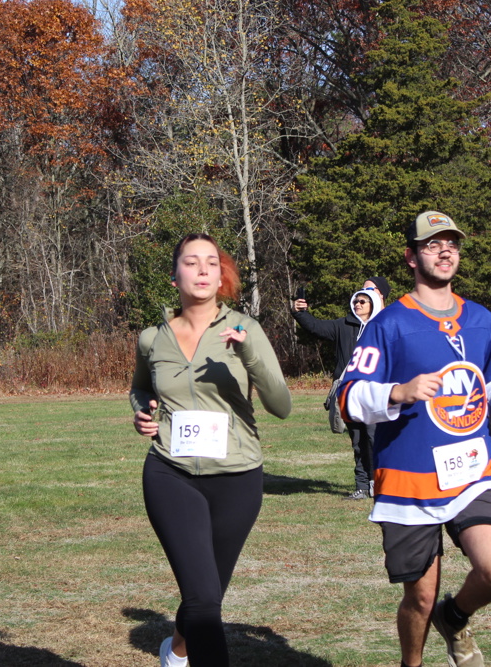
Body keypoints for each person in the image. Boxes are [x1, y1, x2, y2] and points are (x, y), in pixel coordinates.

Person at [337, 211, 491, 667]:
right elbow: (347, 398)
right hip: (409, 479)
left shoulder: (482, 320)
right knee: (419, 598)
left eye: (451, 244)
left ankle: (454, 616)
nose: (444, 251)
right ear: (411, 256)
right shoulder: (388, 324)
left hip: (474, 470)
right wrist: (398, 392)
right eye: (432, 244)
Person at [131, 233, 292, 667]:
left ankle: (175, 652)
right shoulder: (152, 338)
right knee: (203, 599)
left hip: (238, 477)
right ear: (174, 276)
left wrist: (249, 353)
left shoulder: (245, 329)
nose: (202, 269)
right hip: (170, 472)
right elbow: (141, 389)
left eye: (211, 262)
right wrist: (142, 412)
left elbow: (281, 406)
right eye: (191, 262)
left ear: (221, 277)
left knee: (208, 593)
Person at [291, 278, 390, 500]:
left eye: (363, 300)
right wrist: (300, 313)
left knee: (374, 438)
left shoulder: (385, 325)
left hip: (375, 392)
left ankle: (379, 483)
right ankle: (362, 486)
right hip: (349, 393)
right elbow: (315, 327)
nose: (358, 304)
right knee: (357, 440)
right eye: (356, 300)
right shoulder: (343, 325)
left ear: (377, 298)